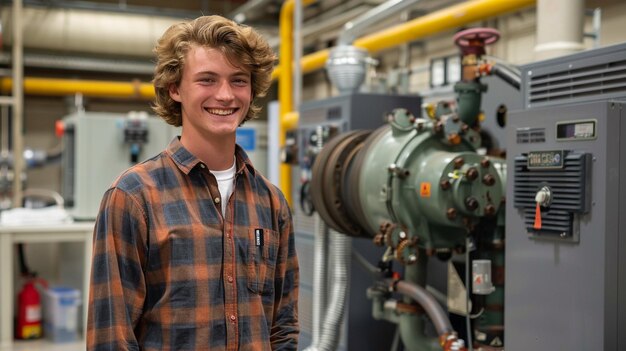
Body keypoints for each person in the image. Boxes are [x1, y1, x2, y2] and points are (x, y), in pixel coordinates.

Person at [87, 15, 299, 350]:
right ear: (175, 89)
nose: (226, 95)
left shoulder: (271, 202)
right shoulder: (133, 197)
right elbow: (111, 337)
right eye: (207, 80)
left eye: (239, 80)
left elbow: (283, 327)